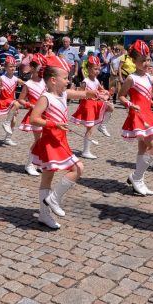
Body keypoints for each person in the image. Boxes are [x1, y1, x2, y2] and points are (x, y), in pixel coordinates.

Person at [32, 61, 100, 229]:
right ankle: (52, 202)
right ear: (53, 80)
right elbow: (34, 119)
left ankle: (44, 212)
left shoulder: (63, 94)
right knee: (78, 168)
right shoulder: (45, 97)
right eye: (65, 78)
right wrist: (54, 124)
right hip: (50, 141)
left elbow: (85, 94)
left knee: (49, 177)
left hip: (61, 140)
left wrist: (99, 94)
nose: (68, 81)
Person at [118, 40, 153, 196]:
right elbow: (121, 96)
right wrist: (129, 104)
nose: (146, 63)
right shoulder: (131, 78)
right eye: (142, 60)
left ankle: (139, 179)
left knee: (143, 149)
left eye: (148, 59)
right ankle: (136, 177)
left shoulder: (150, 76)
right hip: (137, 115)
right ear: (134, 61)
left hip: (148, 114)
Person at [70, 55, 112, 160]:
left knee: (111, 107)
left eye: (98, 69)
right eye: (95, 69)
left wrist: (105, 91)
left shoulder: (96, 81)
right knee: (89, 129)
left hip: (95, 104)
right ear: (88, 68)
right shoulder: (86, 81)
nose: (97, 71)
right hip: (88, 105)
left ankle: (102, 126)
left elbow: (101, 89)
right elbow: (80, 93)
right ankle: (86, 151)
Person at [18, 55, 48, 176]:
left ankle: (39, 163)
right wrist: (30, 105)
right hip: (36, 115)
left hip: (46, 114)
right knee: (38, 140)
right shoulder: (28, 84)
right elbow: (20, 100)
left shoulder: (45, 82)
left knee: (44, 140)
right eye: (39, 68)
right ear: (32, 68)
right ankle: (29, 165)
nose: (41, 71)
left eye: (43, 68)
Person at [0, 55, 21, 146]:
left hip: (11, 102)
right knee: (17, 103)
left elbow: (25, 83)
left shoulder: (15, 78)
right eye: (10, 66)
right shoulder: (2, 78)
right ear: (5, 67)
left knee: (14, 121)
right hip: (4, 100)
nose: (13, 68)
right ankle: (6, 122)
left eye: (14, 66)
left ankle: (7, 138)